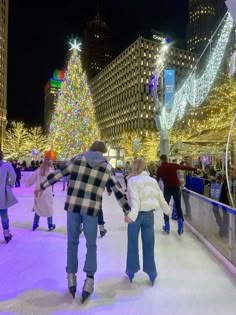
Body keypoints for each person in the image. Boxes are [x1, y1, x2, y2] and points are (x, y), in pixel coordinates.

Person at [34, 141, 130, 303]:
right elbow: (117, 190)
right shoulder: (106, 167)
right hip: (91, 210)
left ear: (91, 149)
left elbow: (58, 173)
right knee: (91, 245)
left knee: (72, 242)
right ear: (103, 153)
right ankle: (89, 281)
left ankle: (71, 278)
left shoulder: (78, 159)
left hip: (73, 207)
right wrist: (127, 210)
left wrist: (42, 186)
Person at [124, 158, 170, 284]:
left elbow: (135, 201)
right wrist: (167, 210)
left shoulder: (132, 180)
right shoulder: (152, 181)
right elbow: (160, 196)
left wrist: (131, 216)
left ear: (135, 167)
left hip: (136, 216)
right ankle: (152, 273)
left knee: (132, 243)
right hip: (149, 216)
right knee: (149, 244)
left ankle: (131, 271)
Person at [156, 154, 196, 235]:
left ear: (160, 160)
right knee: (178, 206)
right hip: (176, 188)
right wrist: (194, 169)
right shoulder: (172, 165)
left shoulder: (159, 169)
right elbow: (184, 167)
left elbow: (156, 180)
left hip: (167, 189)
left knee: (165, 207)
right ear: (167, 159)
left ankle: (167, 226)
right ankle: (180, 224)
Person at [26, 158, 56, 231]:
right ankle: (50, 225)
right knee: (49, 208)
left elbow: (31, 179)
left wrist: (28, 183)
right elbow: (55, 179)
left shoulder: (39, 170)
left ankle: (35, 224)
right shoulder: (51, 171)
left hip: (38, 191)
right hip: (47, 192)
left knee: (38, 208)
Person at [0, 150, 18, 243]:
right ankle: (6, 234)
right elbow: (13, 176)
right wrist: (10, 185)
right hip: (2, 193)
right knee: (3, 213)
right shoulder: (6, 165)